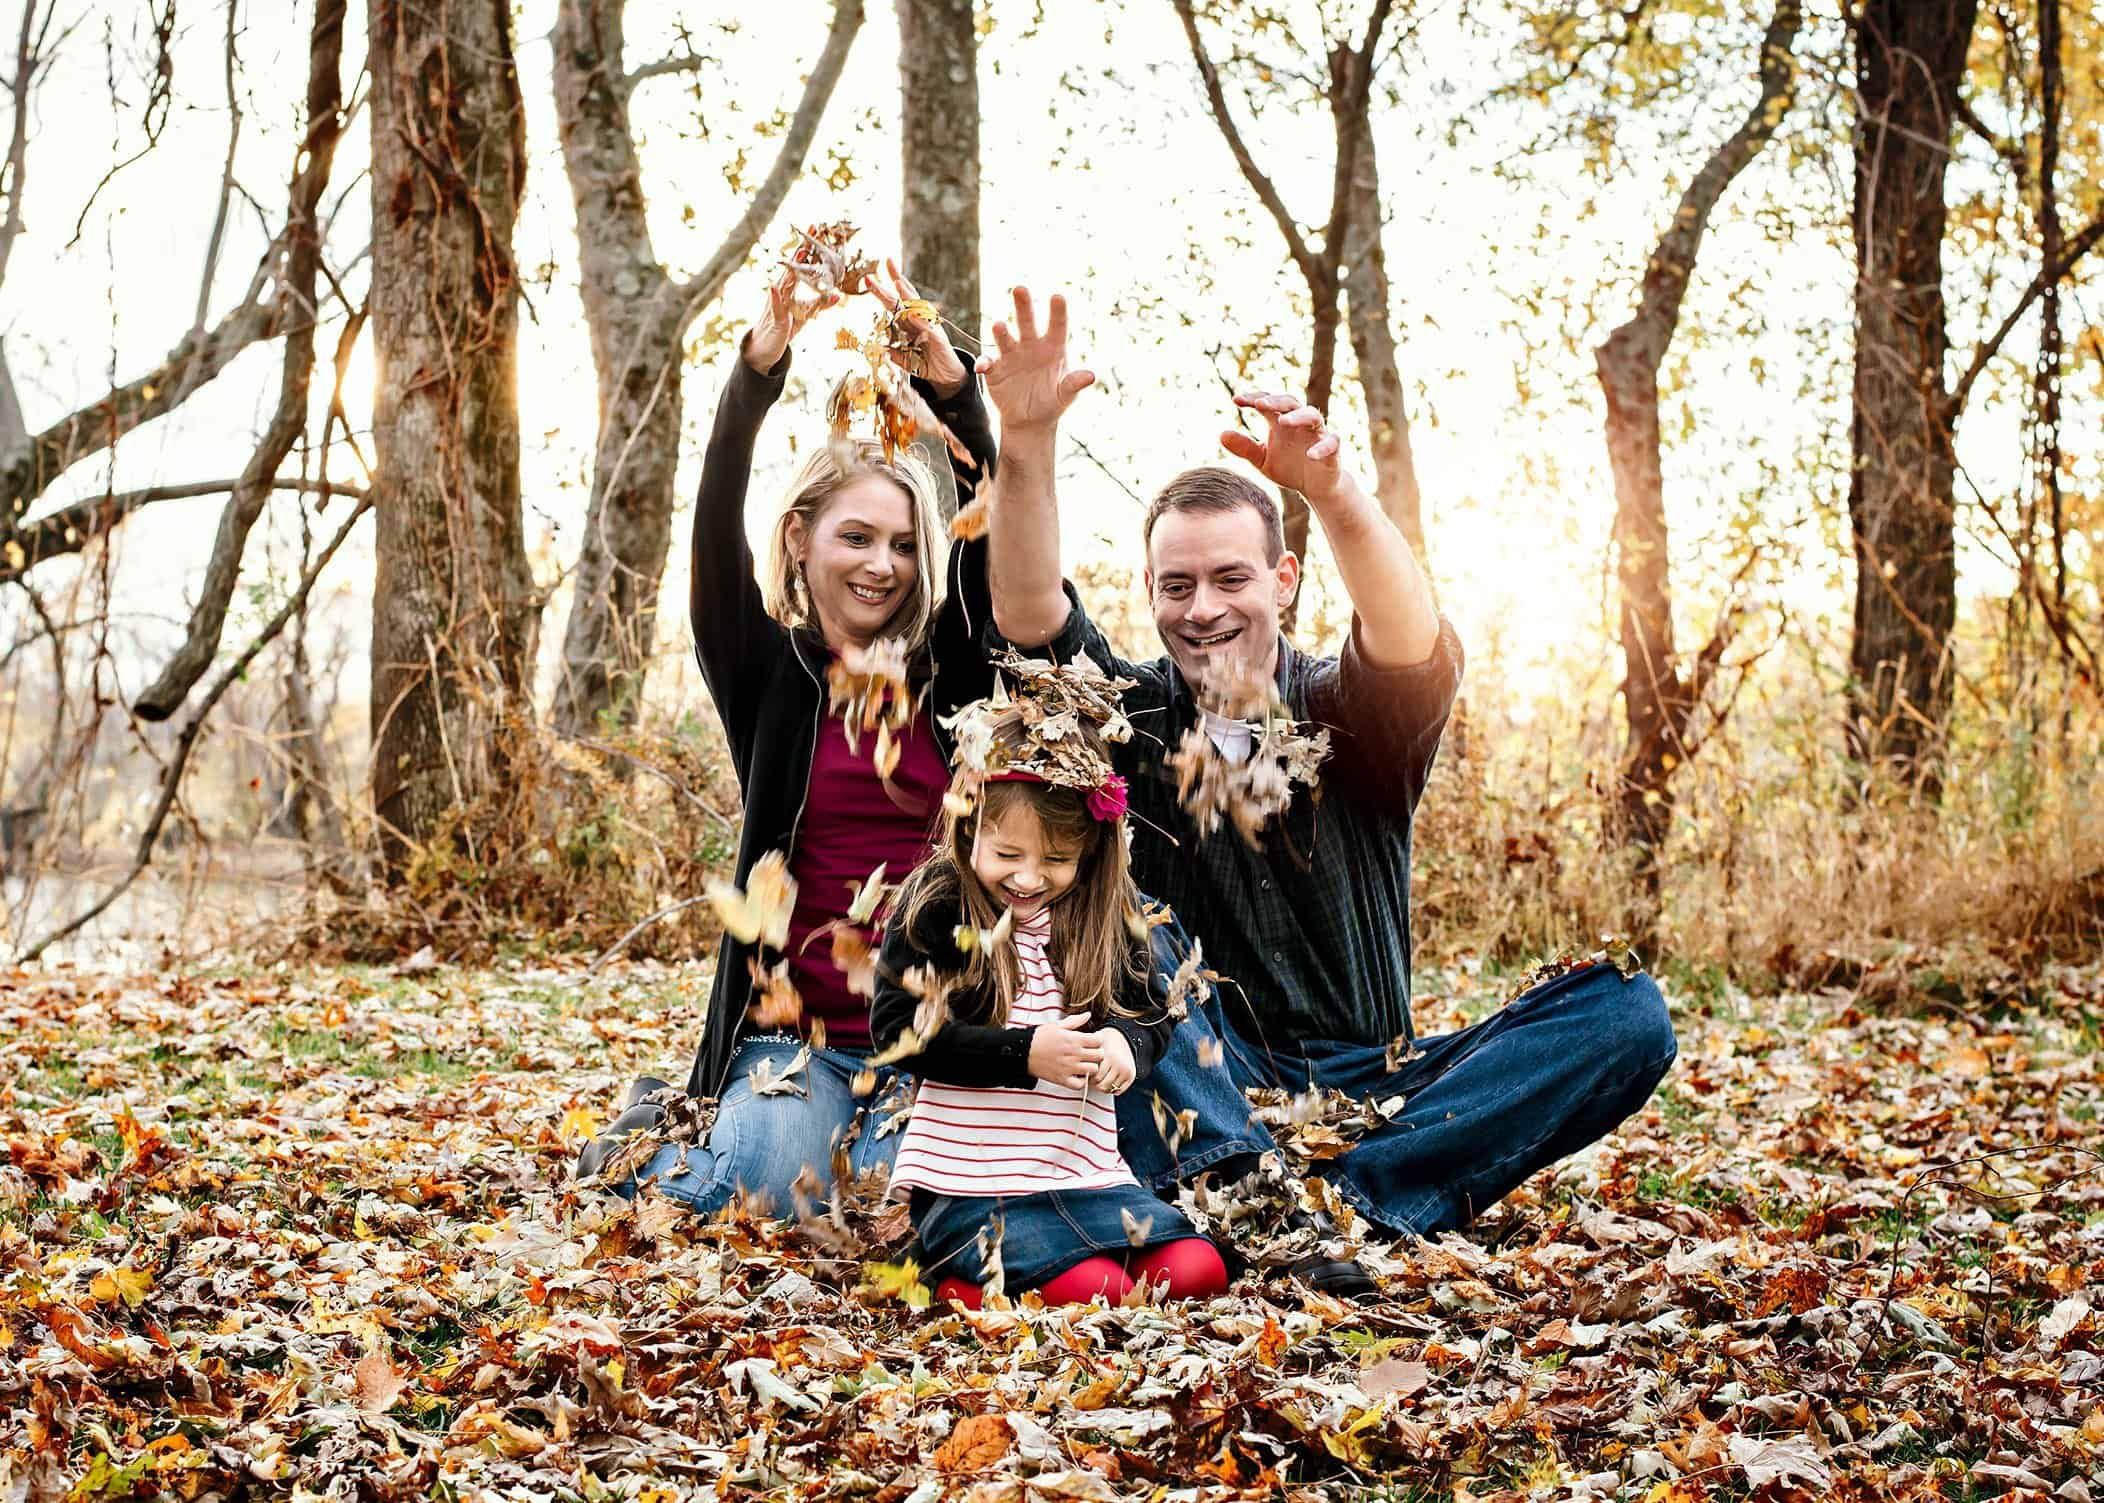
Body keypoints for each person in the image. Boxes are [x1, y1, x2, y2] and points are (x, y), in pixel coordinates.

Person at [973, 287, 1679, 1294]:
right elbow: (1030, 612)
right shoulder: (1127, 716)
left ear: (1285, 579)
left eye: (1230, 579)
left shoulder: (1347, 716)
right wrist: (1027, 436)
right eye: (1176, 586)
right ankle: (1252, 1190)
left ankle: (1354, 1198)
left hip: (1374, 1086)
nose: (1204, 608)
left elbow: (1408, 636)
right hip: (1204, 1082)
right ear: (1149, 595)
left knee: (1627, 1014)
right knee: (1099, 911)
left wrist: (1340, 494)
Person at [573, 259, 1000, 1213]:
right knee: (772, 1197)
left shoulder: (951, 674)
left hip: (935, 1035)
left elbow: (989, 528)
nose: (883, 564)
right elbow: (713, 526)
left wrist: (958, 397)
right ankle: (650, 1143)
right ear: (802, 538)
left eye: (901, 544)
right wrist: (757, 369)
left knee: (908, 1211)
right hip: (793, 1034)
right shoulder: (769, 669)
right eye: (857, 537)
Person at [873, 696, 1229, 1307]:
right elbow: (897, 1032)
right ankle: (954, 1276)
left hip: (1082, 1172)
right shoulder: (936, 908)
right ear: (968, 824)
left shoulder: (1101, 918)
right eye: (1008, 855)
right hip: (975, 1183)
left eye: (1057, 860)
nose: (1030, 878)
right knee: (1099, 1289)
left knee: (1200, 1270)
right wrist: (1025, 1053)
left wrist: (1125, 1042)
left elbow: (1148, 1012)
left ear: (1089, 851)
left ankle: (1007, 1277)